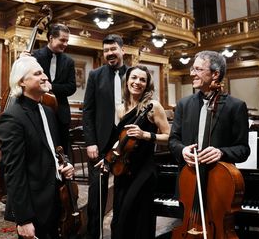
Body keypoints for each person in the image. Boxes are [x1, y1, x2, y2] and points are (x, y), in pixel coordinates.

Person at [0, 56, 74, 239]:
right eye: (38, 73)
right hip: (34, 206)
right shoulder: (12, 117)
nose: (45, 77)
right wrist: (23, 219)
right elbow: (14, 172)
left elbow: (54, 150)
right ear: (22, 81)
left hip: (55, 199)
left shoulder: (48, 111)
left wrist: (64, 165)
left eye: (44, 72)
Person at [97, 65, 170, 239]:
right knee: (120, 219)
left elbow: (169, 136)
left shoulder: (153, 106)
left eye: (142, 79)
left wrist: (145, 135)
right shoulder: (120, 108)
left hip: (144, 170)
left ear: (147, 84)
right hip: (124, 169)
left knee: (138, 219)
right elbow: (120, 139)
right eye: (134, 78)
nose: (137, 82)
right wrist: (108, 158)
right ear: (127, 81)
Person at [169, 50, 250, 181]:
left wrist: (221, 152)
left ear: (215, 74)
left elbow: (243, 149)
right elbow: (173, 140)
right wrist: (182, 150)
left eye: (198, 69)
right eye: (192, 69)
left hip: (220, 179)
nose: (192, 74)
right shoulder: (183, 104)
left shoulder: (236, 106)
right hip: (188, 178)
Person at [83, 34, 127, 239]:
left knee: (123, 192)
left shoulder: (134, 74)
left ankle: (119, 232)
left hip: (126, 142)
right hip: (100, 143)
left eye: (113, 49)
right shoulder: (95, 75)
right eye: (106, 51)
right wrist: (90, 141)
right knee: (96, 194)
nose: (110, 53)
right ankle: (94, 234)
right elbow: (88, 111)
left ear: (122, 50)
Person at [28, 23, 76, 154]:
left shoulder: (69, 61)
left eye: (67, 41)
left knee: (62, 151)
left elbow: (71, 87)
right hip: (38, 110)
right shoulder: (34, 57)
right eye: (62, 40)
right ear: (50, 38)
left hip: (61, 112)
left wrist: (52, 87)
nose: (65, 44)